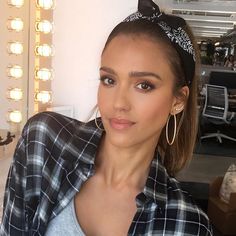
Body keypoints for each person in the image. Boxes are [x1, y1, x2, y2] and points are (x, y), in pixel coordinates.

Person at [0, 0, 212, 235]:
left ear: (178, 100)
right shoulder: (44, 141)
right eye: (109, 80)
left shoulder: (187, 224)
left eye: (144, 85)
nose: (118, 103)